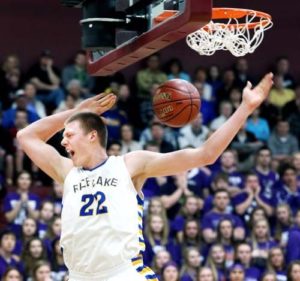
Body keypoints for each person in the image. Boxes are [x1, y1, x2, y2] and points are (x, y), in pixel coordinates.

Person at [17, 73, 273, 280]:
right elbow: (25, 137)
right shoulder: (67, 172)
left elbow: (205, 154)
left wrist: (245, 107)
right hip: (79, 276)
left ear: (92, 136)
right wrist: (75, 113)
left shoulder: (130, 164)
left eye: (69, 134)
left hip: (123, 274)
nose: (62, 140)